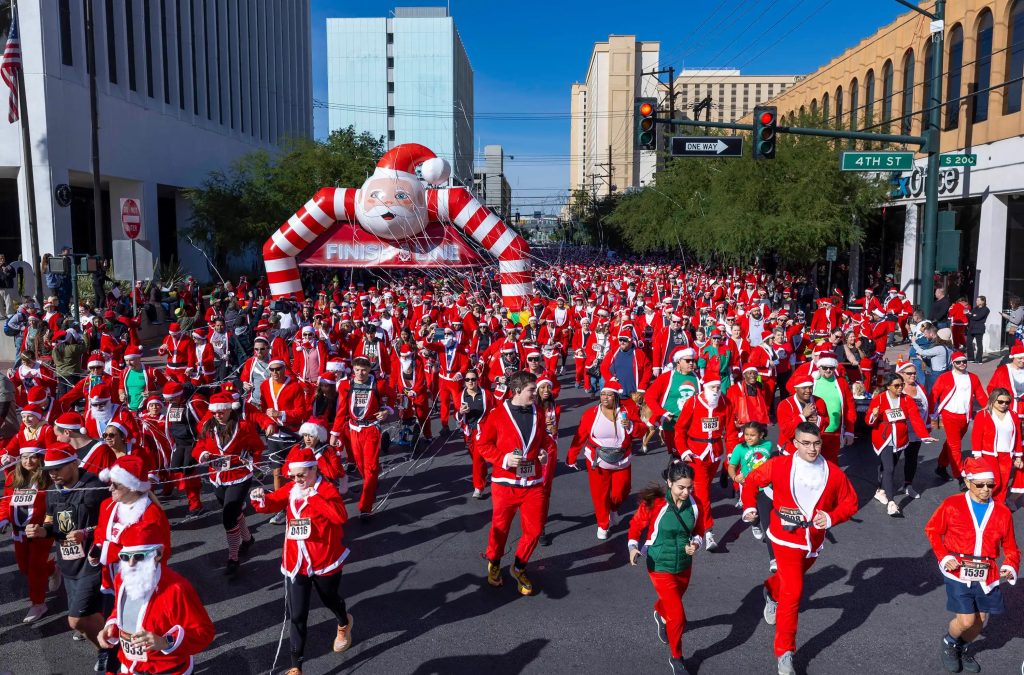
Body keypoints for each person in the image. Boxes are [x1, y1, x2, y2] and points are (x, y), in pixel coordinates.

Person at [741, 423, 858, 675]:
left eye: (816, 443)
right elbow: (751, 482)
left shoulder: (833, 473)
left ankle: (771, 590)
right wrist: (749, 507)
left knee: (785, 582)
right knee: (793, 594)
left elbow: (851, 503)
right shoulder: (779, 465)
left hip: (812, 542)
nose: (812, 448)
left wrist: (831, 518)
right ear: (795, 443)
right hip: (784, 540)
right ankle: (785, 653)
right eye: (806, 443)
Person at [250, 446, 353, 674]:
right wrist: (259, 499)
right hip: (296, 561)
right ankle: (296, 668)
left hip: (324, 558)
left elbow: (340, 516)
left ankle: (344, 622)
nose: (297, 480)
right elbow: (272, 502)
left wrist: (314, 498)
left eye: (301, 475)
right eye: (293, 476)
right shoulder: (292, 488)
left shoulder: (326, 489)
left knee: (330, 600)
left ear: (314, 469)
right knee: (297, 615)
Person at [925, 458, 1019, 674]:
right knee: (967, 620)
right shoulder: (952, 504)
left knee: (981, 620)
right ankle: (949, 643)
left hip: (987, 573)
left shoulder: (1002, 512)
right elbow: (932, 530)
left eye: (990, 485)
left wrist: (1010, 565)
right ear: (968, 483)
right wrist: (943, 556)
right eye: (980, 485)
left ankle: (963, 647)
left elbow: (1012, 547)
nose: (986, 489)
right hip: (958, 570)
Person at [27, 444, 112, 672]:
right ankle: (108, 651)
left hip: (93, 562)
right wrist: (42, 531)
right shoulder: (54, 490)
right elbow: (49, 519)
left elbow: (112, 521)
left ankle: (109, 652)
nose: (53, 474)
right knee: (91, 615)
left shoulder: (95, 487)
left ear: (74, 463)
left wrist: (87, 532)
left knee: (75, 620)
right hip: (68, 563)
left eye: (58, 469)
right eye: (50, 470)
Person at [96, 523, 215, 674]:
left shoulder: (177, 589)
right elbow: (119, 611)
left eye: (139, 556)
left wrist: (165, 642)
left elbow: (204, 633)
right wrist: (111, 626)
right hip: (130, 666)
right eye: (125, 557)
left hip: (168, 670)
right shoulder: (121, 579)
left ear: (158, 554)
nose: (131, 564)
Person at [477, 371, 556, 595]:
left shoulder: (538, 412)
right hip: (505, 483)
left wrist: (542, 452)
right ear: (518, 390)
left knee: (535, 529)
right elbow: (483, 446)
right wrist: (503, 458)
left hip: (533, 482)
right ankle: (494, 562)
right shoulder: (497, 415)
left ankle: (519, 566)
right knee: (500, 527)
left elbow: (544, 440)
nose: (536, 393)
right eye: (532, 389)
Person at [627, 459, 705, 675]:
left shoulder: (695, 504)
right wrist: (633, 547)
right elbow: (635, 526)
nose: (686, 492)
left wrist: (696, 544)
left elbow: (700, 531)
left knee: (671, 606)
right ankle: (677, 657)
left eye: (689, 487)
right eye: (681, 487)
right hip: (659, 564)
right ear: (669, 483)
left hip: (684, 566)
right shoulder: (656, 504)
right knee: (678, 616)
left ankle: (660, 612)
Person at [193, 393, 262, 574]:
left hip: (239, 475)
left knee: (229, 516)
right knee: (233, 509)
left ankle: (233, 557)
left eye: (221, 411)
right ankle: (247, 539)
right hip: (217, 476)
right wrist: (203, 454)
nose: (218, 415)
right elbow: (199, 446)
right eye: (215, 412)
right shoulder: (208, 428)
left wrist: (249, 457)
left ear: (229, 410)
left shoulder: (244, 426)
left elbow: (257, 447)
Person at [567, 381, 644, 540]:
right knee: (599, 494)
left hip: (621, 460)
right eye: (603, 394)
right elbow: (580, 435)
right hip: (597, 460)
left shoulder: (627, 411)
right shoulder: (591, 413)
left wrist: (630, 426)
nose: (605, 398)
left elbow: (641, 431)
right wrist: (572, 456)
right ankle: (603, 524)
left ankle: (613, 508)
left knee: (622, 490)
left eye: (609, 395)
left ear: (616, 397)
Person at [674, 374, 731, 551]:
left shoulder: (725, 402)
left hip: (714, 455)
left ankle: (686, 515)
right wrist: (684, 451)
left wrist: (731, 456)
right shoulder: (692, 402)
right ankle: (708, 532)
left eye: (718, 387)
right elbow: (680, 428)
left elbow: (730, 431)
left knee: (700, 490)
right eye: (712, 387)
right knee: (703, 492)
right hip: (696, 454)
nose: (716, 390)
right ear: (705, 387)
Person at [866, 373, 937, 516]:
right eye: (897, 385)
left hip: (900, 438)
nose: (900, 388)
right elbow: (868, 420)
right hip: (884, 437)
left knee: (889, 465)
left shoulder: (907, 400)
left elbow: (916, 419)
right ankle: (892, 503)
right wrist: (874, 414)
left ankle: (880, 489)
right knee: (890, 469)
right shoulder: (879, 399)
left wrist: (924, 435)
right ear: (888, 386)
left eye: (902, 385)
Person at [330, 356, 392, 518]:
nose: (360, 373)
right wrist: (334, 433)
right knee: (360, 465)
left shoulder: (379, 384)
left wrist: (387, 411)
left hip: (371, 429)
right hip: (353, 429)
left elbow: (392, 399)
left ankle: (365, 506)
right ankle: (370, 487)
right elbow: (342, 411)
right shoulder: (345, 385)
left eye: (364, 370)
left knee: (371, 468)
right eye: (357, 370)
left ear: (369, 369)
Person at [3, 442, 58, 622]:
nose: (28, 461)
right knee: (24, 567)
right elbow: (5, 502)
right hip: (18, 532)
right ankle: (52, 569)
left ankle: (38, 604)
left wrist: (46, 527)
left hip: (40, 531)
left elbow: (54, 504)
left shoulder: (48, 479)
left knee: (34, 566)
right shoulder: (13, 477)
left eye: (33, 457)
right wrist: (3, 518)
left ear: (40, 458)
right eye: (25, 457)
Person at [931, 352, 988, 488]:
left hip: (965, 417)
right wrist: (929, 415)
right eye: (958, 362)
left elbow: (981, 396)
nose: (962, 364)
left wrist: (992, 410)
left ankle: (941, 466)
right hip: (949, 416)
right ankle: (960, 475)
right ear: (953, 363)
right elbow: (933, 395)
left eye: (964, 361)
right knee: (955, 447)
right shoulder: (945, 377)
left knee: (951, 444)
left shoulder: (973, 378)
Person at [727, 421, 776, 571]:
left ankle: (773, 559)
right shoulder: (739, 448)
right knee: (754, 516)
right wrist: (735, 478)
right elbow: (731, 466)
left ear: (761, 435)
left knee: (769, 525)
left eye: (752, 435)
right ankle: (755, 524)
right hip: (748, 487)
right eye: (746, 434)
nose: (748, 438)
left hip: (766, 488)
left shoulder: (768, 445)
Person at [969, 388, 1023, 509]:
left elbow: (1018, 436)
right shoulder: (983, 415)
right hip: (988, 455)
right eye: (1000, 401)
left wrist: (1018, 456)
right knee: (995, 481)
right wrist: (977, 455)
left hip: (1007, 455)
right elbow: (976, 436)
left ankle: (998, 506)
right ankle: (981, 502)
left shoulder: (1013, 415)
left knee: (1003, 483)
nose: (1004, 404)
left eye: (1007, 402)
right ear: (993, 400)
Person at [645, 347, 702, 457]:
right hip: (672, 424)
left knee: (691, 456)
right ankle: (670, 472)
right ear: (678, 361)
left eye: (693, 360)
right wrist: (662, 413)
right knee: (677, 455)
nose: (691, 363)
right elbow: (649, 396)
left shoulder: (697, 378)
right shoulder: (667, 377)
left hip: (692, 424)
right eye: (688, 361)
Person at [455, 368, 493, 499]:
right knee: (475, 458)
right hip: (468, 431)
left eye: (473, 379)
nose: (470, 382)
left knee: (478, 458)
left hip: (482, 430)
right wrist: (461, 412)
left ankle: (478, 487)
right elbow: (456, 416)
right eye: (467, 380)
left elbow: (494, 410)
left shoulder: (486, 394)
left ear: (478, 380)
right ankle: (483, 476)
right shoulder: (460, 395)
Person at [896, 360, 931, 499]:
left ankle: (908, 485)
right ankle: (883, 487)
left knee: (911, 459)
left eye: (914, 373)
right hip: (900, 430)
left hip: (917, 431)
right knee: (892, 460)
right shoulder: (897, 388)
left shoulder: (920, 387)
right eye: (909, 373)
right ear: (901, 374)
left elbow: (927, 407)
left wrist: (927, 426)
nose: (913, 376)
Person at [966, 296, 990, 364]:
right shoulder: (975, 308)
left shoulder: (986, 309)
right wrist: (971, 315)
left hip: (979, 328)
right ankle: (970, 358)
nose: (976, 301)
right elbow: (970, 315)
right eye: (976, 300)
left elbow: (978, 317)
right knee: (968, 342)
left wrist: (971, 315)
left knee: (979, 344)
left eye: (978, 300)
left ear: (983, 301)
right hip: (971, 328)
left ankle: (979, 359)